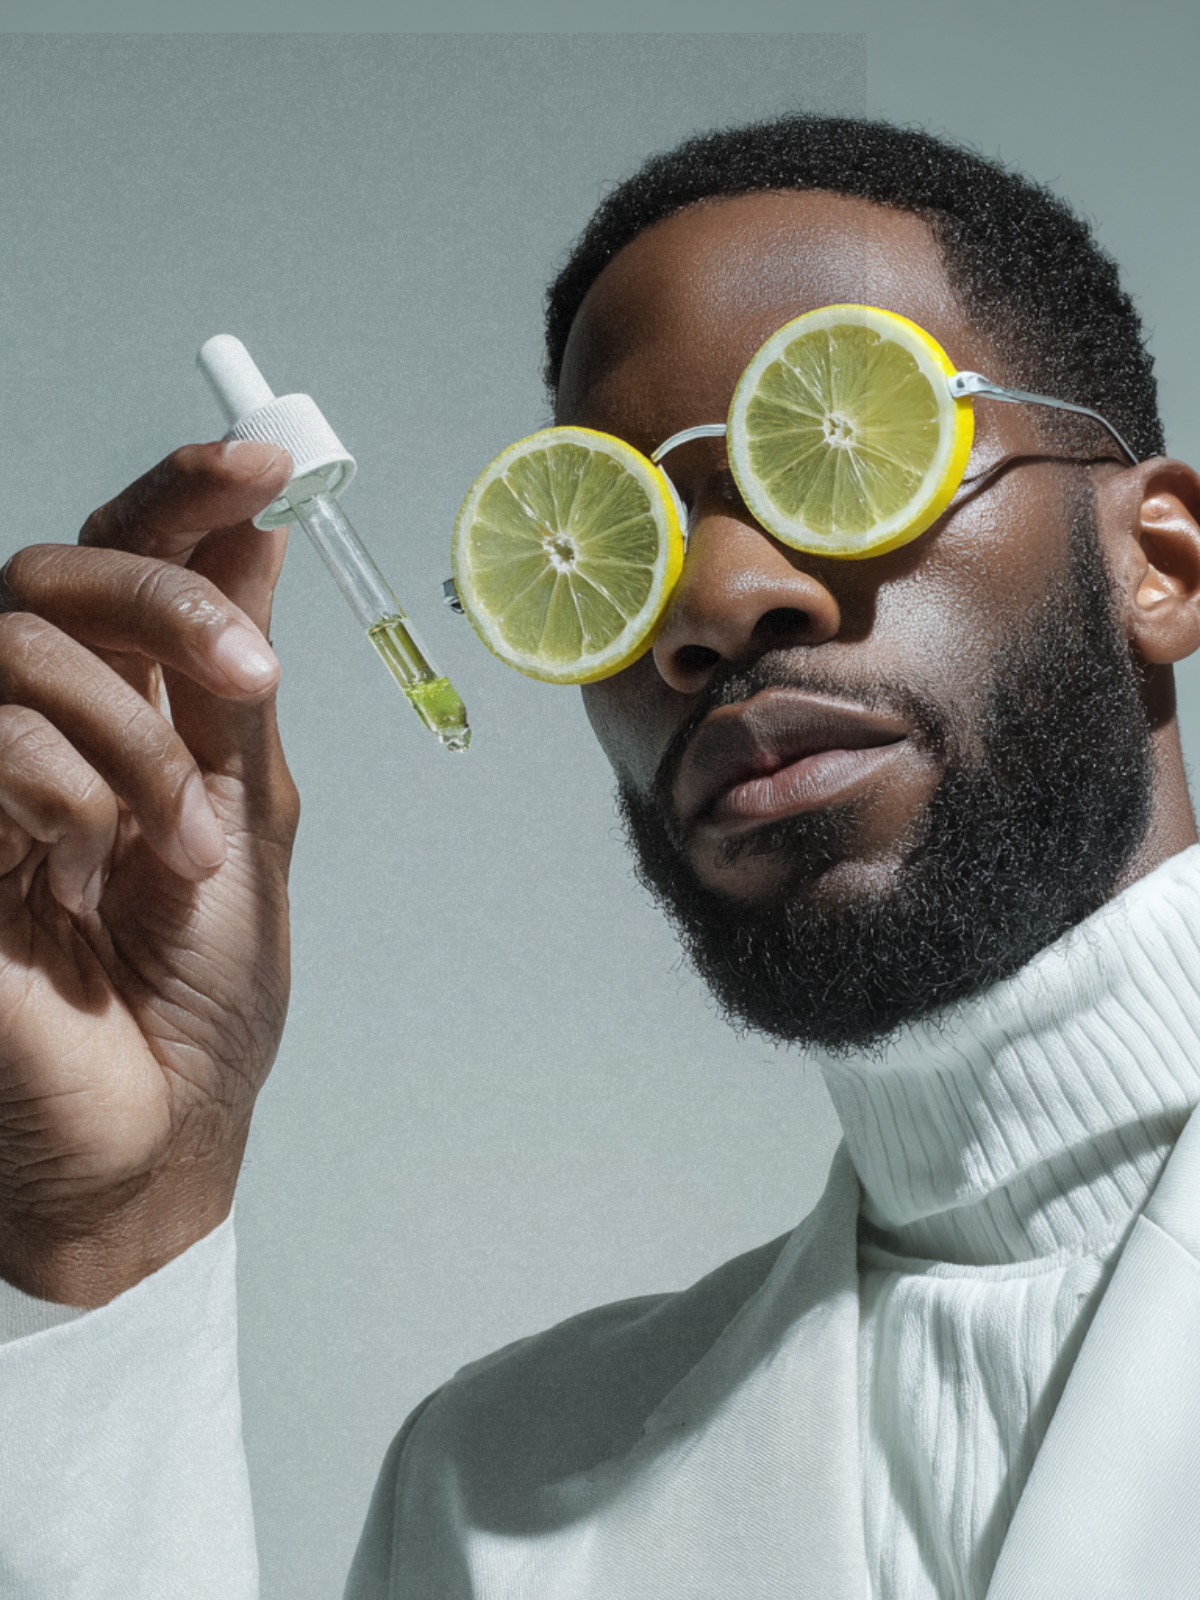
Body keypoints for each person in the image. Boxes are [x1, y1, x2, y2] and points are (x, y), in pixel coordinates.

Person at [1, 112, 1199, 1599]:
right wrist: (114, 1238)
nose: (714, 598)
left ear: (1160, 565)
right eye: (626, 533)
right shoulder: (494, 1501)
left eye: (844, 453)